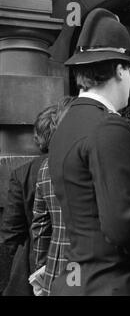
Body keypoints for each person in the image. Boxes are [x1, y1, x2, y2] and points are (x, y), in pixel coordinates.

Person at [48, 8, 130, 295]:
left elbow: (106, 190)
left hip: (76, 279)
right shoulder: (109, 126)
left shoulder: (66, 124)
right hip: (112, 283)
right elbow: (124, 221)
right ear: (122, 69)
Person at [0, 104, 59, 296]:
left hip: (32, 265)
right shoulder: (79, 166)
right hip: (72, 262)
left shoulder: (23, 173)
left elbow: (11, 231)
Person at [30, 97, 74, 296]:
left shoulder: (46, 167)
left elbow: (40, 226)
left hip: (58, 268)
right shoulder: (97, 158)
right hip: (93, 270)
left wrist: (41, 267)